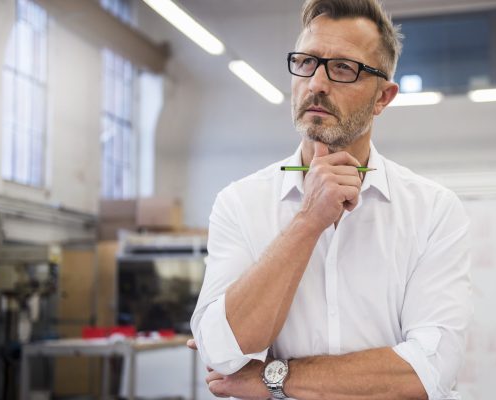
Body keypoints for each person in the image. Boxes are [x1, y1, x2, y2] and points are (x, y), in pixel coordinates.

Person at [189, 0, 472, 398]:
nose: (317, 83)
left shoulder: (433, 211)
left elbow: (428, 370)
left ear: (383, 98)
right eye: (306, 62)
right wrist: (308, 220)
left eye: (343, 68)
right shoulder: (239, 203)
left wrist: (272, 378)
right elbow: (221, 351)